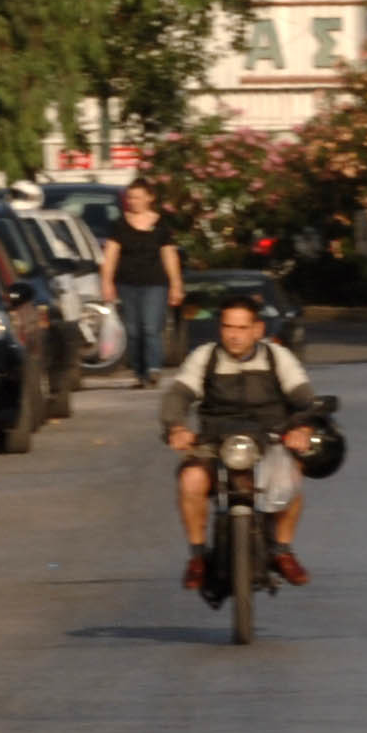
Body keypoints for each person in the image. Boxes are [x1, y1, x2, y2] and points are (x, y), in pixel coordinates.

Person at [159, 296, 325, 589]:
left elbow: (303, 397)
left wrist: (302, 426)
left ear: (257, 329)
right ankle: (197, 556)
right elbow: (178, 395)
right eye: (227, 327)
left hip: (270, 439)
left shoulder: (277, 357)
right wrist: (176, 427)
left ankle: (283, 550)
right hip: (215, 440)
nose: (234, 335)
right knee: (191, 480)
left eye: (242, 327)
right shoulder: (205, 356)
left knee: (292, 477)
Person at [105, 183, 185, 387]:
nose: (133, 202)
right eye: (130, 197)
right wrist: (107, 282)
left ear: (150, 198)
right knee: (133, 330)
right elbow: (111, 255)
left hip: (155, 283)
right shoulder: (119, 225)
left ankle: (153, 369)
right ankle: (139, 372)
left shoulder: (160, 225)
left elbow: (169, 255)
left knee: (150, 327)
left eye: (138, 197)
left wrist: (176, 283)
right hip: (127, 283)